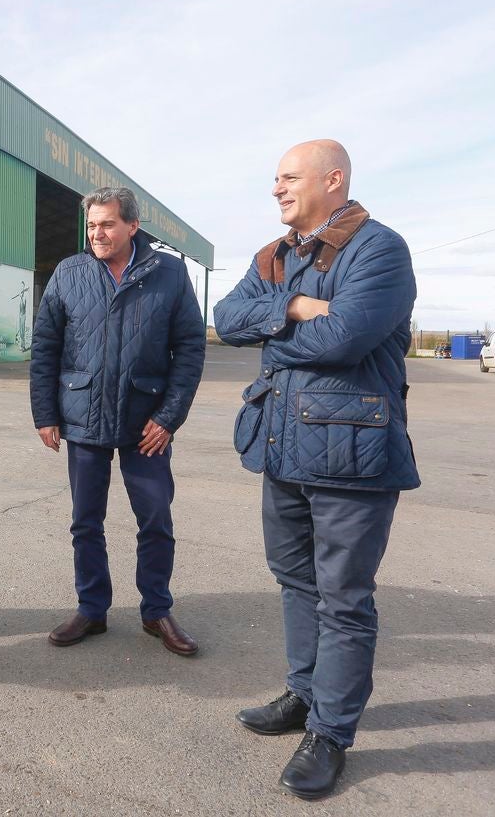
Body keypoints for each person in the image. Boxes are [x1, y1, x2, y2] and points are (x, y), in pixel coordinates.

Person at [213, 140, 419, 799]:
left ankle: (330, 732)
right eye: (274, 178)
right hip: (283, 450)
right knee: (295, 581)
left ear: (333, 180)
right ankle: (303, 695)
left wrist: (269, 328)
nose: (276, 189)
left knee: (344, 598)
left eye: (290, 178)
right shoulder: (275, 257)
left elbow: (347, 338)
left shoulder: (379, 249)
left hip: (352, 458)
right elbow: (223, 318)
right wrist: (295, 307)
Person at [29, 187, 206, 653]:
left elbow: (189, 347)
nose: (97, 234)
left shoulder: (168, 272)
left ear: (132, 225)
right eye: (91, 225)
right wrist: (45, 413)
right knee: (86, 521)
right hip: (83, 414)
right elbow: (45, 346)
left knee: (155, 519)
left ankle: (156, 611)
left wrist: (169, 417)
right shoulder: (70, 272)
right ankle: (92, 610)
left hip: (145, 421)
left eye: (107, 224)